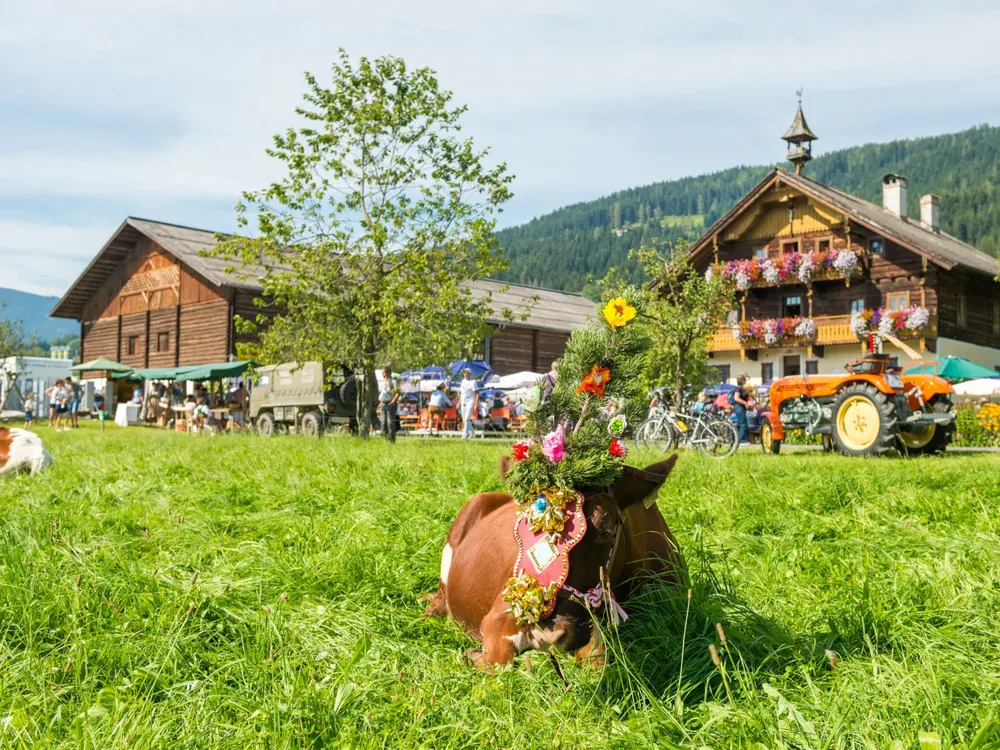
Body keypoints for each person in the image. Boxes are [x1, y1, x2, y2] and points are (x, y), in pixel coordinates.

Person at [379, 368, 400, 443]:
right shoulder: (384, 382)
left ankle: (391, 440)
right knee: (383, 422)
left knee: (390, 423)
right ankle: (384, 439)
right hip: (383, 404)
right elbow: (383, 393)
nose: (382, 374)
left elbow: (398, 392)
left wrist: (393, 401)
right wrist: (380, 402)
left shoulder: (394, 381)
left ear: (388, 373)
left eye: (383, 372)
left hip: (391, 404)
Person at [458, 369, 479, 440]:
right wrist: (459, 402)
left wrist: (476, 403)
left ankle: (465, 435)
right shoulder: (462, 381)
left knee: (467, 418)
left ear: (470, 374)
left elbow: (477, 393)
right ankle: (473, 433)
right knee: (465, 420)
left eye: (467, 373)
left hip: (470, 402)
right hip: (463, 402)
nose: (466, 374)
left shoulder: (473, 382)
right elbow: (460, 392)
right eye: (465, 373)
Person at [732, 374, 751, 444]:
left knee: (739, 423)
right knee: (743, 423)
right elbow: (736, 398)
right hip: (739, 407)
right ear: (742, 380)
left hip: (739, 407)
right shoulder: (738, 388)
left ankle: (735, 439)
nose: (746, 380)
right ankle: (742, 440)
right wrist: (745, 403)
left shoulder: (740, 388)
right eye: (745, 379)